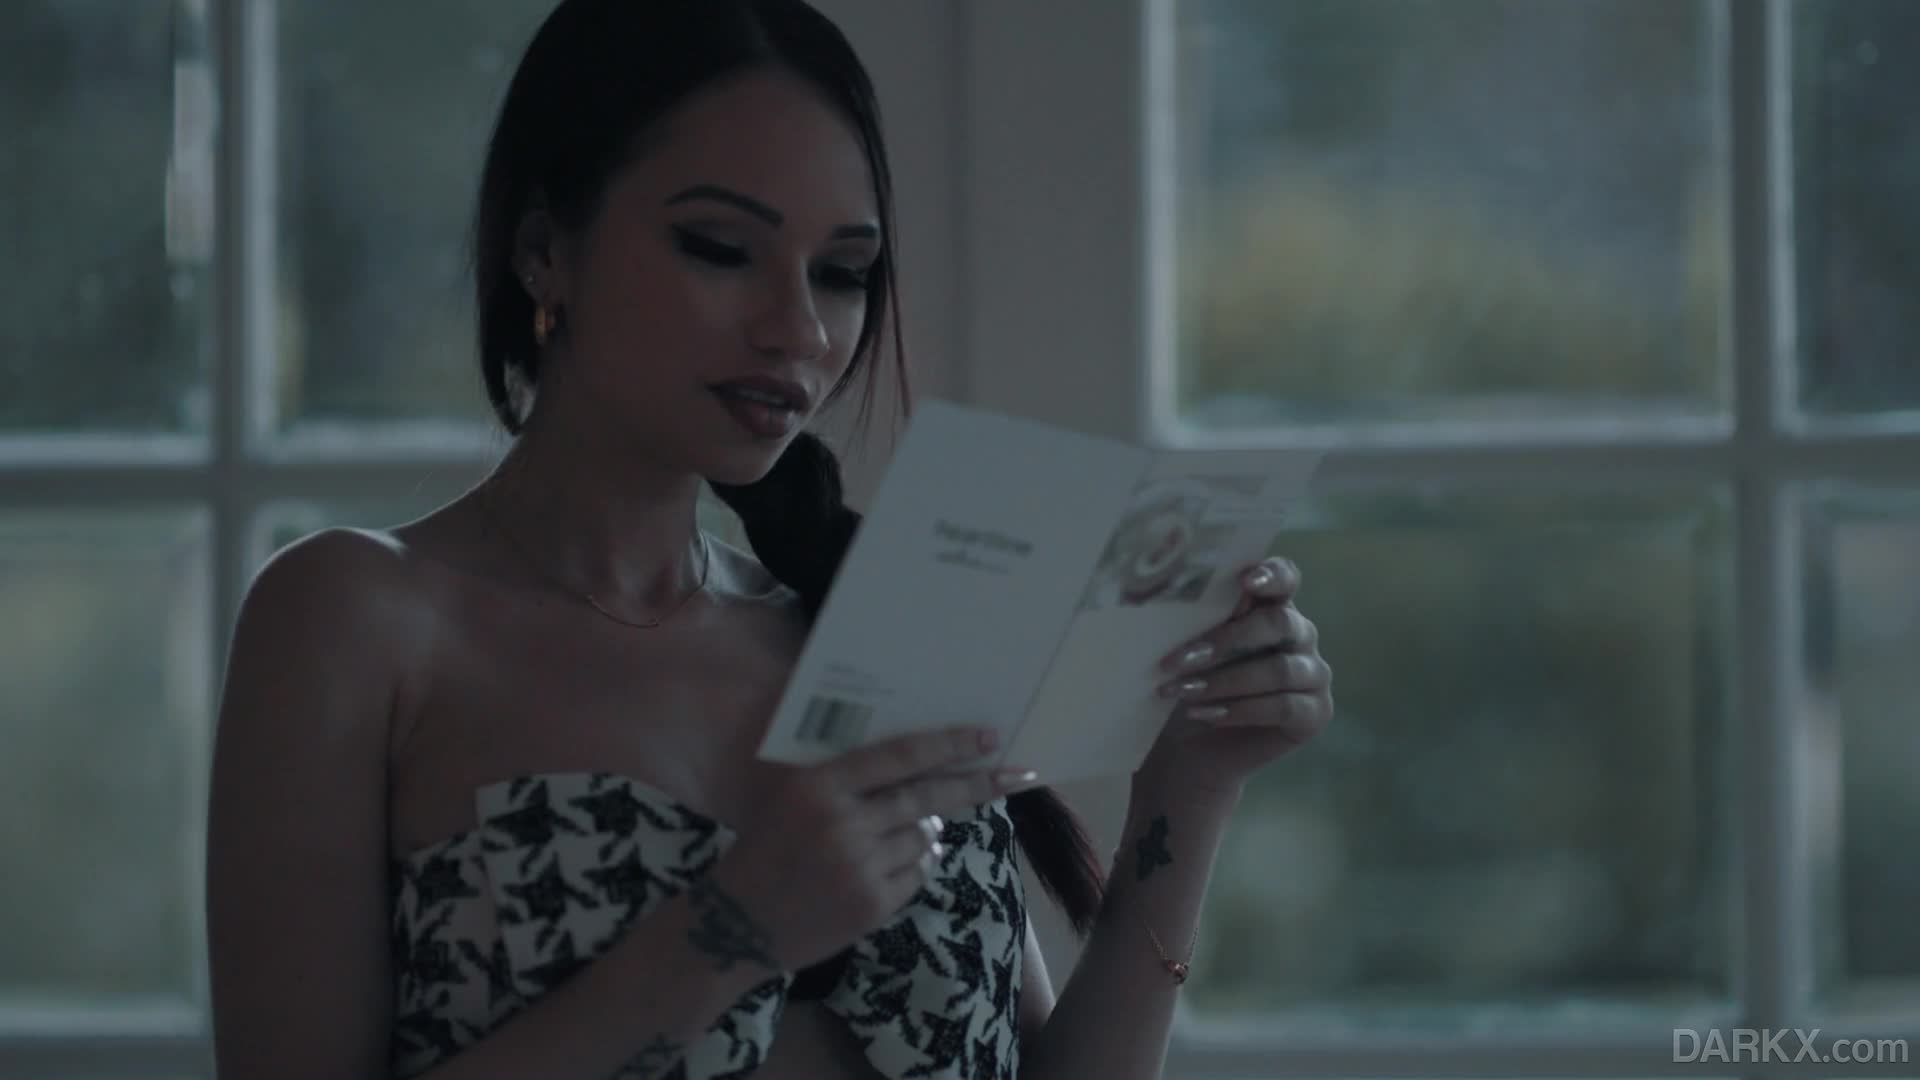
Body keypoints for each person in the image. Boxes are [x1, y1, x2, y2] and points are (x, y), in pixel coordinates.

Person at [202, 1, 1335, 1077]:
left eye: (842, 274)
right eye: (719, 247)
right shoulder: (355, 619)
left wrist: (1191, 783)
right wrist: (730, 928)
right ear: (545, 248)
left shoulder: (872, 626)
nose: (799, 330)